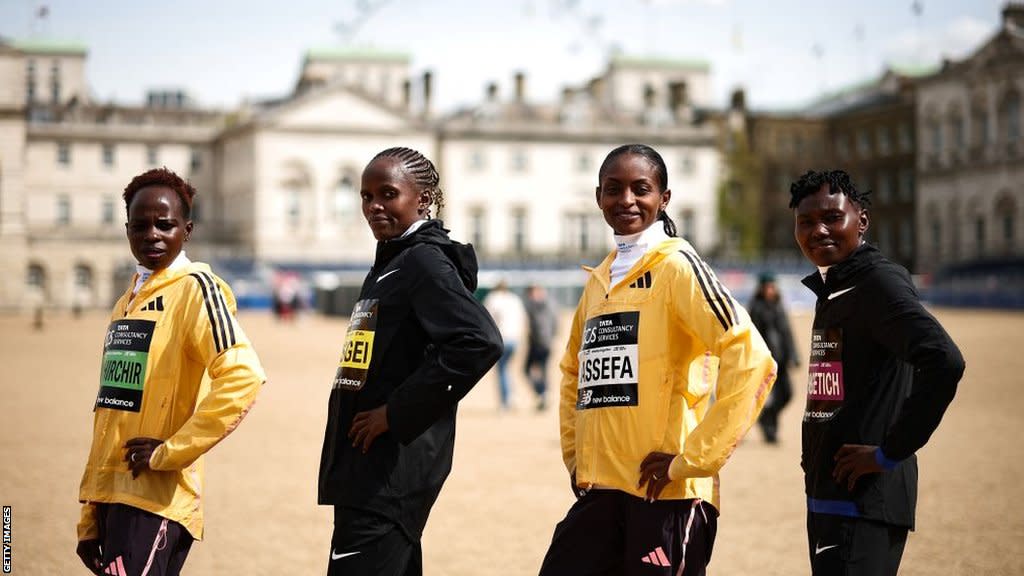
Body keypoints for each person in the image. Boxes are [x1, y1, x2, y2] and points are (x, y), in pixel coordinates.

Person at [539, 144, 777, 576]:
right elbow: (574, 370)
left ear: (663, 198)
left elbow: (753, 358)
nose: (626, 199)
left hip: (668, 493)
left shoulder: (678, 267)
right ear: (598, 198)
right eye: (614, 189)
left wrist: (694, 459)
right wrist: (576, 456)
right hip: (602, 488)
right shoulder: (600, 279)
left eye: (640, 189)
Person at [318, 147, 502, 576]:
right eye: (365, 196)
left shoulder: (422, 261)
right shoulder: (393, 259)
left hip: (387, 475)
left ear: (421, 199)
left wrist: (394, 413)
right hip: (364, 472)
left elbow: (479, 341)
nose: (373, 206)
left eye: (387, 194)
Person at [76, 168, 266, 576]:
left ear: (188, 229)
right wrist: (91, 514)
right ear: (126, 229)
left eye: (165, 224)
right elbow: (112, 409)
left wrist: (171, 451)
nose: (153, 235)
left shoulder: (196, 287)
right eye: (140, 226)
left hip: (156, 501)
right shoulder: (127, 300)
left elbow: (243, 374)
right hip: (114, 498)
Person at [790, 170, 964, 576]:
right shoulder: (835, 286)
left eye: (833, 218)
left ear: (861, 221)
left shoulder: (876, 283)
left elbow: (944, 360)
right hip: (830, 494)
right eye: (806, 222)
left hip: (863, 501)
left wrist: (890, 452)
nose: (819, 230)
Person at [748, 272, 799, 444]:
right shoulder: (756, 308)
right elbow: (752, 336)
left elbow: (787, 334)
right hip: (767, 362)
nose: (771, 289)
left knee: (787, 394)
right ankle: (771, 431)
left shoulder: (779, 306)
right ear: (761, 288)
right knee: (770, 396)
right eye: (767, 286)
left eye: (773, 286)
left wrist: (793, 355)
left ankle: (766, 417)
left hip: (782, 361)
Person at [483, 279, 526, 410]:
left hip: (501, 338)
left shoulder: (493, 298)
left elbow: (486, 318)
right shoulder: (515, 299)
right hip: (515, 338)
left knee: (502, 370)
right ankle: (512, 395)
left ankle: (506, 400)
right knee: (507, 369)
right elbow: (523, 318)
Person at [523, 283, 557, 411]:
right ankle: (543, 393)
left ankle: (542, 393)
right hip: (546, 342)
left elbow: (537, 325)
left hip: (539, 343)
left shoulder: (535, 305)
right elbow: (556, 324)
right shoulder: (552, 304)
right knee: (542, 370)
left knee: (530, 369)